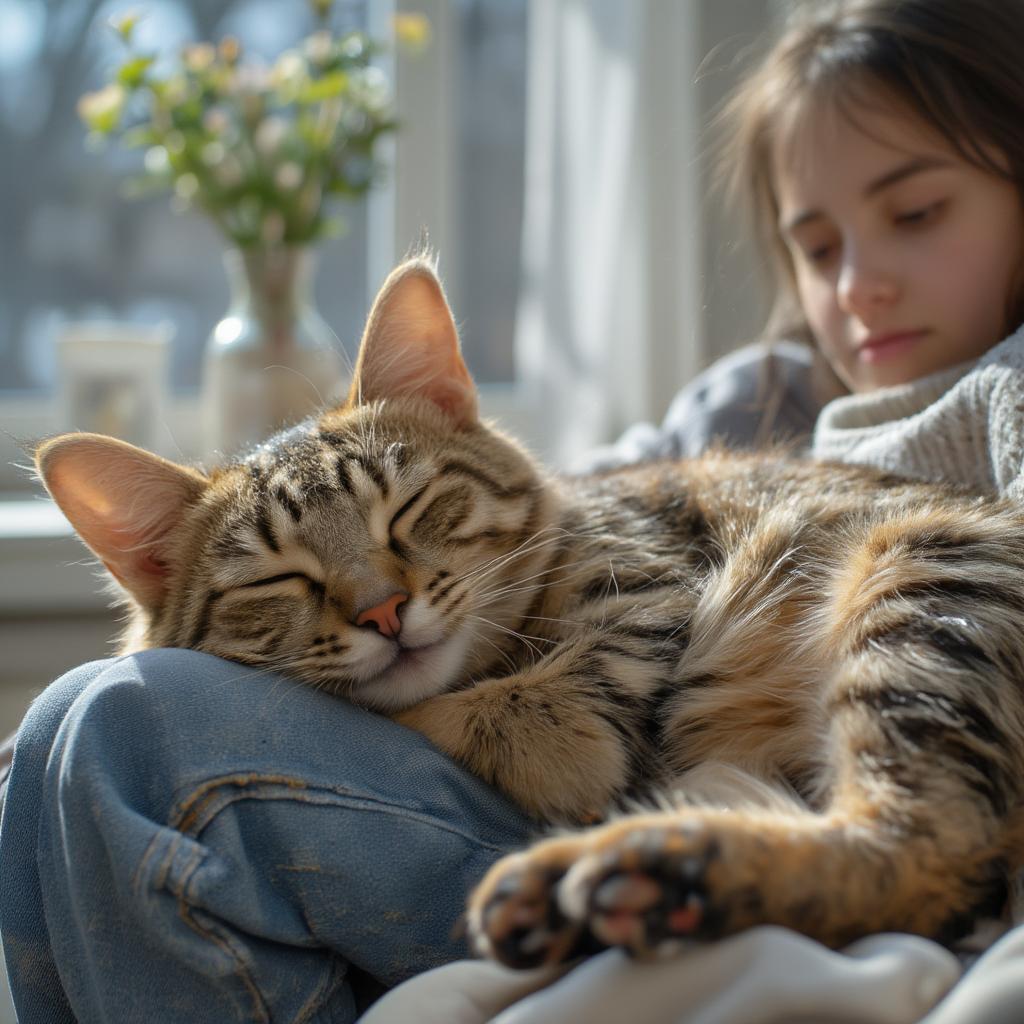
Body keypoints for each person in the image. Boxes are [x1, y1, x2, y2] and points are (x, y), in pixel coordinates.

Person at [6, 1, 1024, 1021]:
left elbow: (580, 714)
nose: (376, 599)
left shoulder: (997, 390)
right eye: (812, 245)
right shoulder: (754, 392)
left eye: (917, 212)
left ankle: (890, 852)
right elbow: (566, 487)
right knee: (69, 732)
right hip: (674, 753)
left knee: (117, 739)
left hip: (784, 719)